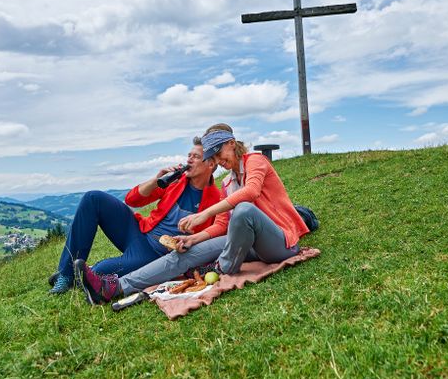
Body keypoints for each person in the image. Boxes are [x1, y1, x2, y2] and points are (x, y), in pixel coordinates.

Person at [74, 123, 310, 305]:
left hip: (280, 243)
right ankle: (113, 288)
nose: (219, 161)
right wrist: (192, 239)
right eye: (214, 157)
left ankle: (222, 268)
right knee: (186, 252)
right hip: (247, 246)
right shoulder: (227, 184)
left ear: (231, 143)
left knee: (243, 210)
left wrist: (202, 214)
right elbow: (221, 226)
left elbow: (251, 192)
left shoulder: (255, 161)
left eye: (219, 154)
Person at [48, 138, 220, 294]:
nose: (189, 159)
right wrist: (156, 180)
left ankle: (83, 272)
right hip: (139, 231)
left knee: (99, 272)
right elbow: (132, 200)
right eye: (188, 155)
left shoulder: (217, 199)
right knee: (93, 198)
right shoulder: (175, 181)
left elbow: (212, 237)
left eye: (195, 157)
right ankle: (66, 274)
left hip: (154, 254)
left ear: (210, 164)